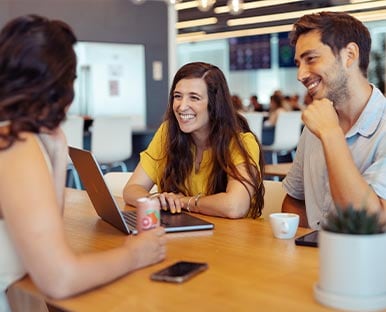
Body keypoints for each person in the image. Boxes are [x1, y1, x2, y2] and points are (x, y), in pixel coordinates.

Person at [0, 14, 166, 311]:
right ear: (61, 84)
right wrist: (136, 254)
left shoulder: (17, 136)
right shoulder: (15, 144)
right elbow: (59, 278)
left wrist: (55, 148)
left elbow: (49, 234)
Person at [282, 11, 386, 229]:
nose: (300, 75)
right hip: (316, 259)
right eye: (298, 63)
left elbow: (369, 222)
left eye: (311, 59)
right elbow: (295, 200)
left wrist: (331, 134)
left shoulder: (327, 125)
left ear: (349, 55)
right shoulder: (315, 125)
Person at [123, 62, 265, 219]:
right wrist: (157, 200)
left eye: (194, 98)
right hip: (184, 235)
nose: (182, 106)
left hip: (233, 239)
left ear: (214, 104)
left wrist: (183, 202)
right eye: (178, 96)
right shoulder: (167, 132)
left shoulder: (241, 142)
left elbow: (235, 206)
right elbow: (131, 189)